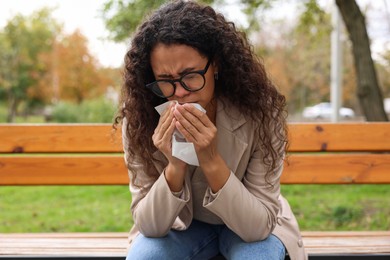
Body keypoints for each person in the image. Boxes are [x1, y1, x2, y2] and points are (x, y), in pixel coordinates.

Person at [115, 0, 307, 259]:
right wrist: (175, 165)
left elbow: (257, 228)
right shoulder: (140, 119)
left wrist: (210, 158)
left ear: (215, 63)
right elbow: (149, 226)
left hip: (249, 224)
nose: (180, 93)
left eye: (190, 75)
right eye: (165, 81)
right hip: (182, 227)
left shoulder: (261, 112)